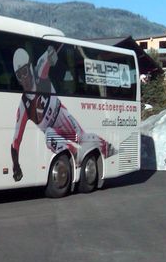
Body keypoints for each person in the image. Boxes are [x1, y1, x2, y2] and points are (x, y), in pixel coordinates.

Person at [11, 46, 114, 182]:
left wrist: (51, 54)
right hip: (51, 129)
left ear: (30, 67)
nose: (24, 78)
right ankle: (75, 154)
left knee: (84, 138)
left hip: (61, 115)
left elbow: (49, 54)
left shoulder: (39, 71)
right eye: (19, 75)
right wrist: (16, 166)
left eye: (25, 71)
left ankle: (109, 149)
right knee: (48, 135)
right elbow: (16, 141)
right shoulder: (24, 106)